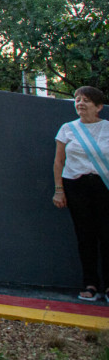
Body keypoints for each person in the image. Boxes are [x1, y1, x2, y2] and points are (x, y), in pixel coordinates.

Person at [53, 86, 109, 301]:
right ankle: (90, 284)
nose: (80, 103)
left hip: (104, 186)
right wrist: (59, 191)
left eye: (86, 100)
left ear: (99, 107)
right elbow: (59, 162)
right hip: (77, 186)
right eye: (77, 99)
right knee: (85, 236)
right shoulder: (67, 129)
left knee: (107, 236)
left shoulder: (107, 128)